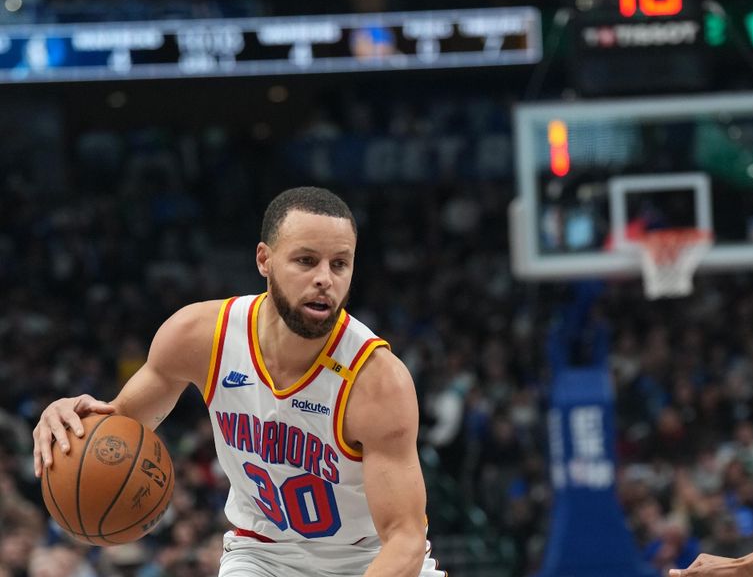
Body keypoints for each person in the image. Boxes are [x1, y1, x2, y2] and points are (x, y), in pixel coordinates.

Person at [33, 186, 446, 577]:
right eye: (305, 261)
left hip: (368, 557)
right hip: (263, 553)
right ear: (264, 260)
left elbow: (405, 539)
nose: (325, 278)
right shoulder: (200, 336)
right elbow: (119, 427)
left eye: (340, 264)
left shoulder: (376, 380)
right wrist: (68, 419)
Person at [669, 514, 753, 577]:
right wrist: (739, 566)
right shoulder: (710, 545)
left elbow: (746, 568)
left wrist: (739, 567)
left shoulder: (748, 543)